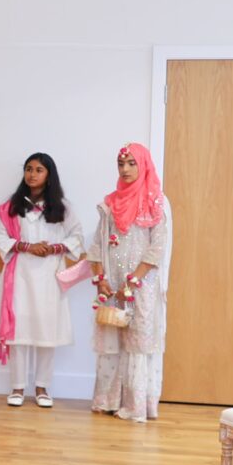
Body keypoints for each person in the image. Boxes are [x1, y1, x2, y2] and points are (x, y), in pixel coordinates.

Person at [0, 152, 83, 408]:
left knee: (46, 331)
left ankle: (42, 387)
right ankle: (17, 387)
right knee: (18, 331)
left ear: (49, 175)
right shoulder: (11, 207)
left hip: (49, 277)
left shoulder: (62, 208)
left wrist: (54, 249)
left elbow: (76, 236)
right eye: (28, 169)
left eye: (38, 170)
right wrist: (26, 246)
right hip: (19, 275)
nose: (32, 174)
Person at [90, 143, 172, 423]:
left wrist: (134, 281)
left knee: (138, 343)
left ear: (144, 165)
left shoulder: (156, 202)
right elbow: (97, 244)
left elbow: (157, 247)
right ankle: (109, 400)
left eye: (131, 163)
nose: (125, 169)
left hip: (142, 285)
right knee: (112, 340)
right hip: (113, 286)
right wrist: (100, 278)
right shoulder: (110, 203)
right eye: (121, 164)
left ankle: (136, 405)